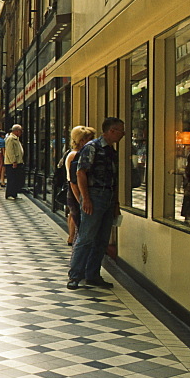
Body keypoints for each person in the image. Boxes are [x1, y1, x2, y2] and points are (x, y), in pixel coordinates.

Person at [67, 117, 126, 290]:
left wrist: (115, 203)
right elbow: (81, 173)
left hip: (107, 196)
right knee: (86, 237)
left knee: (101, 239)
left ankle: (93, 274)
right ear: (112, 131)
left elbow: (114, 178)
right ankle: (75, 275)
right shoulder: (92, 148)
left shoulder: (111, 151)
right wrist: (86, 199)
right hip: (95, 195)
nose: (123, 134)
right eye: (121, 130)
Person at [65, 126, 96, 245]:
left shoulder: (79, 153)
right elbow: (73, 181)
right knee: (78, 219)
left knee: (74, 216)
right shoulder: (75, 155)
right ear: (82, 140)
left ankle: (72, 238)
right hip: (76, 192)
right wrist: (82, 200)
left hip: (78, 191)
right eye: (90, 138)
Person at [4, 125, 24, 199]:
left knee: (16, 179)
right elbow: (10, 151)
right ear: (17, 131)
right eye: (20, 131)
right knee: (12, 179)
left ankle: (14, 194)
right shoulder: (11, 139)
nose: (21, 133)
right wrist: (14, 161)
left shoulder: (16, 139)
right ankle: (10, 194)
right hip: (11, 163)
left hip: (17, 162)